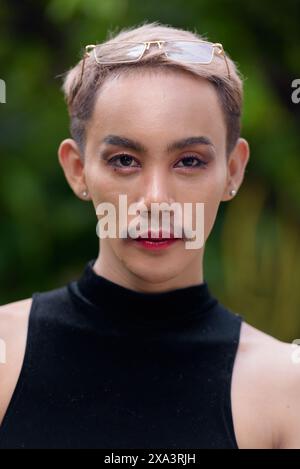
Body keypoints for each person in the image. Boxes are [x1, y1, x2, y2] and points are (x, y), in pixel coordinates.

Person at [0, 21, 299, 449]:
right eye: (125, 160)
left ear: (233, 170)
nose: (156, 199)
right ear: (78, 170)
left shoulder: (286, 388)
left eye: (189, 161)